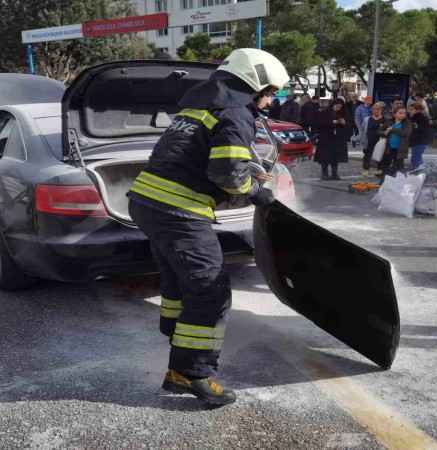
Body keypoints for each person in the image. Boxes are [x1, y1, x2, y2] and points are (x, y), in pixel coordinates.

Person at [126, 48, 288, 405]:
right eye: (271, 93)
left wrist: (245, 174)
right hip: (178, 211)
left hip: (146, 202)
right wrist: (255, 191)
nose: (270, 102)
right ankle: (189, 372)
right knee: (210, 290)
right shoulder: (235, 114)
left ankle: (175, 331)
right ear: (256, 87)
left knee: (177, 274)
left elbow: (195, 157)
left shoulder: (197, 108)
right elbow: (226, 173)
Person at [314, 98, 350, 180]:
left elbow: (349, 124)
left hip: (338, 139)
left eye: (339, 107)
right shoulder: (324, 112)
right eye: (336, 106)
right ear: (332, 105)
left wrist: (344, 123)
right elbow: (318, 124)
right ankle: (324, 174)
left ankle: (334, 174)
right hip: (326, 138)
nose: (338, 108)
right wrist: (331, 122)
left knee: (336, 157)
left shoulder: (344, 113)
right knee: (325, 156)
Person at [378, 104, 412, 180]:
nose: (403, 115)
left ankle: (394, 179)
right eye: (400, 113)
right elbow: (379, 130)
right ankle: (383, 180)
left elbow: (406, 133)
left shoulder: (407, 123)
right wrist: (384, 132)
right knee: (385, 165)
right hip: (388, 147)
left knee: (398, 165)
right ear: (394, 114)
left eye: (404, 113)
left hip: (400, 148)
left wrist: (393, 129)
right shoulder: (390, 122)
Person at [360, 102, 386, 178]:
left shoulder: (384, 119)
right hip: (369, 140)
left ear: (381, 110)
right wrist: (362, 138)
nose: (376, 111)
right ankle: (365, 169)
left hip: (380, 141)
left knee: (380, 155)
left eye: (378, 109)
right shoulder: (367, 119)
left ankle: (380, 170)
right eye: (374, 109)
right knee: (367, 155)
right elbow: (362, 129)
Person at [408, 101, 431, 169]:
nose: (409, 111)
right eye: (409, 109)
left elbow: (422, 130)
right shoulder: (420, 117)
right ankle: (420, 171)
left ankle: (419, 172)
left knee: (416, 160)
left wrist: (416, 128)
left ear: (418, 110)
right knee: (417, 158)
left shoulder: (418, 118)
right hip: (422, 140)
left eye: (411, 109)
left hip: (419, 141)